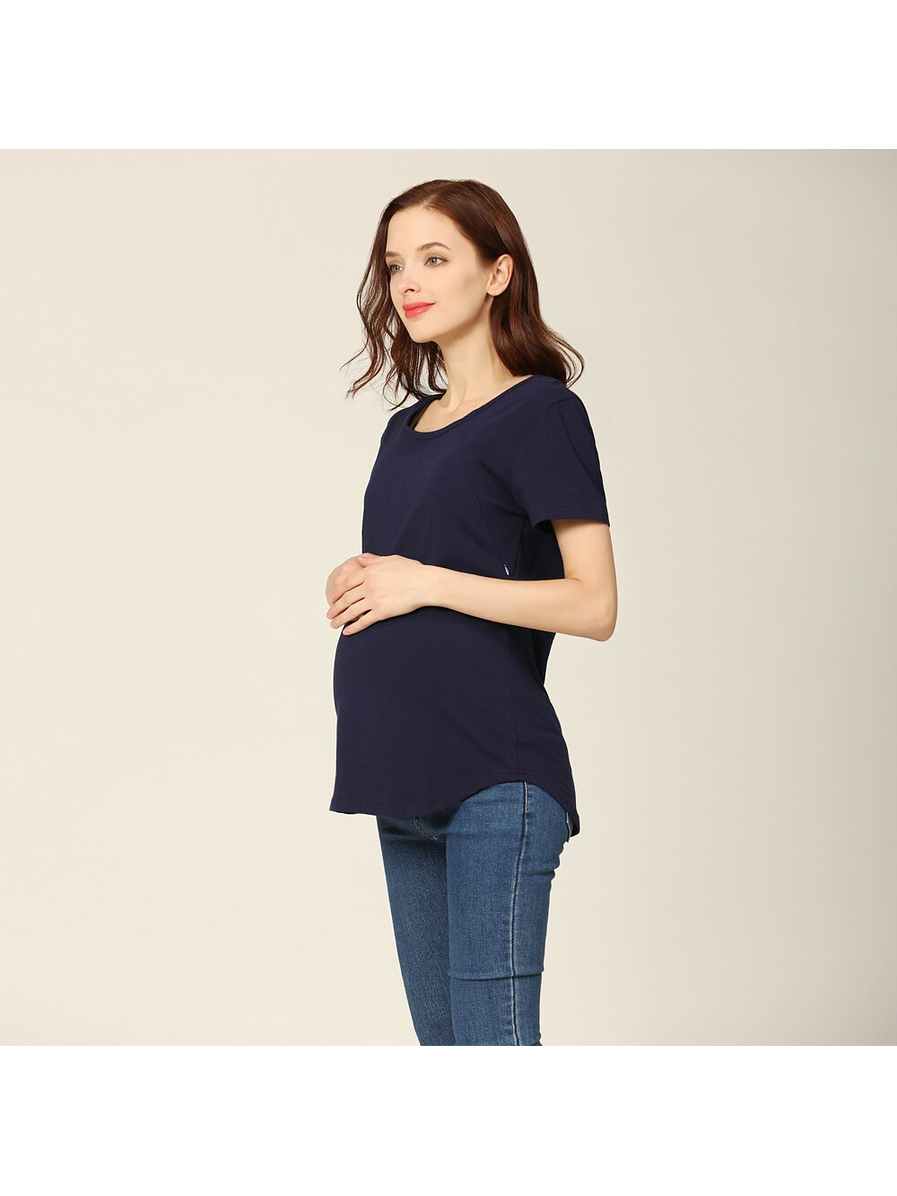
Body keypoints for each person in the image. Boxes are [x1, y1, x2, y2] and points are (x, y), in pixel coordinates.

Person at [324, 179, 617, 1046]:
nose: (408, 282)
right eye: (394, 265)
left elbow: (593, 603)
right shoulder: (404, 431)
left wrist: (425, 582)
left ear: (497, 273)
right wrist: (358, 577)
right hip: (397, 777)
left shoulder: (542, 412)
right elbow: (413, 569)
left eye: (434, 257)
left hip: (494, 779)